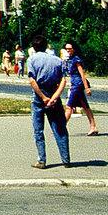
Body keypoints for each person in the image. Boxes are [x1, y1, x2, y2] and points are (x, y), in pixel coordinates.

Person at [26, 33, 70, 169]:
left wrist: (43, 97)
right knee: (60, 128)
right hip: (54, 93)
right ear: (46, 46)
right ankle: (66, 159)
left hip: (40, 96)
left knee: (38, 129)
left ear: (33, 47)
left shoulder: (32, 60)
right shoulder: (57, 60)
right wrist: (55, 97)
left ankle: (42, 160)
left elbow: (32, 80)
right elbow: (63, 80)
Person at [62, 41, 99, 136]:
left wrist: (86, 88)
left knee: (69, 107)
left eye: (70, 49)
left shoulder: (76, 59)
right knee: (85, 106)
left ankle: (61, 128)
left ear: (74, 49)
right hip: (74, 85)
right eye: (67, 49)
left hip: (78, 85)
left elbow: (82, 74)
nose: (68, 50)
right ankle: (93, 127)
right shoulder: (69, 59)